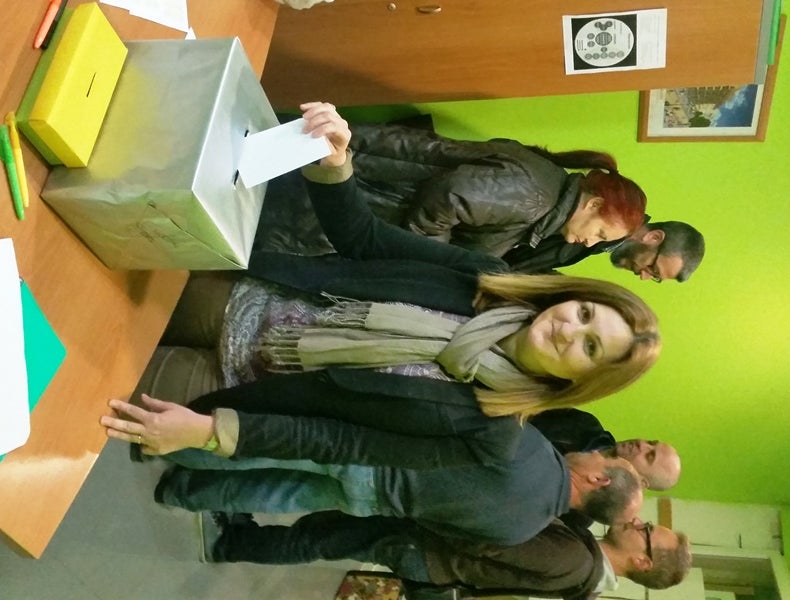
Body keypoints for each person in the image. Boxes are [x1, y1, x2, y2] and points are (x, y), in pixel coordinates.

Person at [102, 102, 660, 474]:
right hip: (236, 293)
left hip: (230, 387)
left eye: (590, 347)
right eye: (585, 314)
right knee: (87, 300)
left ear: (583, 381)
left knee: (78, 378)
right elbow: (365, 239)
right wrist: (335, 163)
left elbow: (338, 443)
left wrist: (210, 432)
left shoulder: (487, 433)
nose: (569, 330)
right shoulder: (484, 278)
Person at [257, 120, 649, 258]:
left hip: (363, 174)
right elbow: (450, 196)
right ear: (593, 204)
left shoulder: (545, 192)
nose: (590, 243)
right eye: (600, 233)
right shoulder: (535, 199)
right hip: (361, 189)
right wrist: (429, 255)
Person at [152, 437, 643, 546]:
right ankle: (183, 494)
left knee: (264, 450)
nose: (593, 453)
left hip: (375, 455)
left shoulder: (532, 449)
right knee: (278, 495)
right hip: (377, 503)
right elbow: (443, 528)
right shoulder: (524, 529)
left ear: (598, 480)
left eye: (603, 459)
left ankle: (168, 447)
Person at [198, 511, 691, 598]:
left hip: (430, 547)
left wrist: (435, 514)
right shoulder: (582, 562)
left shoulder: (576, 563)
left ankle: (233, 543)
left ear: (643, 562)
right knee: (328, 534)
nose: (639, 523)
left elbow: (493, 540)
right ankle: (242, 537)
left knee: (323, 538)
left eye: (648, 532)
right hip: (432, 554)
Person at [529, 408, 682, 490]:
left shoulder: (584, 507)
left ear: (641, 482)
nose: (642, 444)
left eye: (649, 456)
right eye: (651, 442)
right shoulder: (586, 423)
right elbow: (530, 411)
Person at [502, 220, 705, 281]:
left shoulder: (606, 242)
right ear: (653, 238)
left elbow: (524, 258)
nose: (643, 276)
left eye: (654, 277)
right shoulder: (603, 219)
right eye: (652, 268)